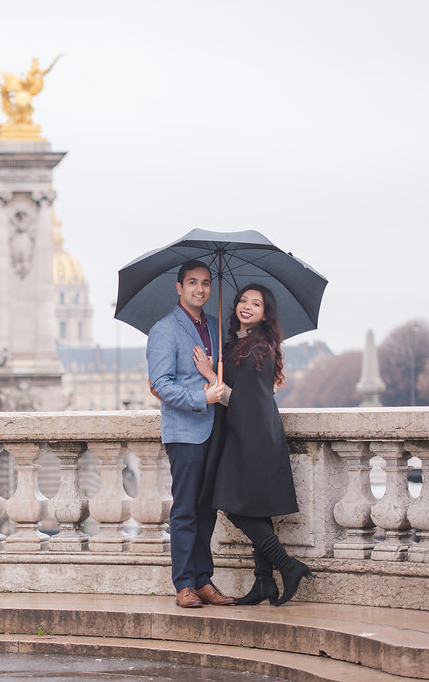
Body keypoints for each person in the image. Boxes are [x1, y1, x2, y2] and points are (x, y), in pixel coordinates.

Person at [193, 283, 313, 606]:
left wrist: (211, 376)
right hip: (248, 435)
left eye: (255, 304)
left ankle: (288, 566)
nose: (246, 306)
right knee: (256, 509)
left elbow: (244, 400)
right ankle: (264, 583)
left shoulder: (259, 348)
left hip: (253, 439)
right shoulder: (240, 344)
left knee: (235, 508)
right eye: (243, 301)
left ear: (264, 314)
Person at [146, 260, 234, 608]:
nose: (201, 289)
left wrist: (214, 380)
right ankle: (183, 582)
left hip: (215, 431)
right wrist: (203, 397)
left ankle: (202, 580)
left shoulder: (215, 326)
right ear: (179, 288)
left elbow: (220, 377)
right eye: (193, 283)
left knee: (207, 509)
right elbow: (161, 385)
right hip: (184, 433)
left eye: (206, 283)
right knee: (185, 510)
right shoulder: (164, 330)